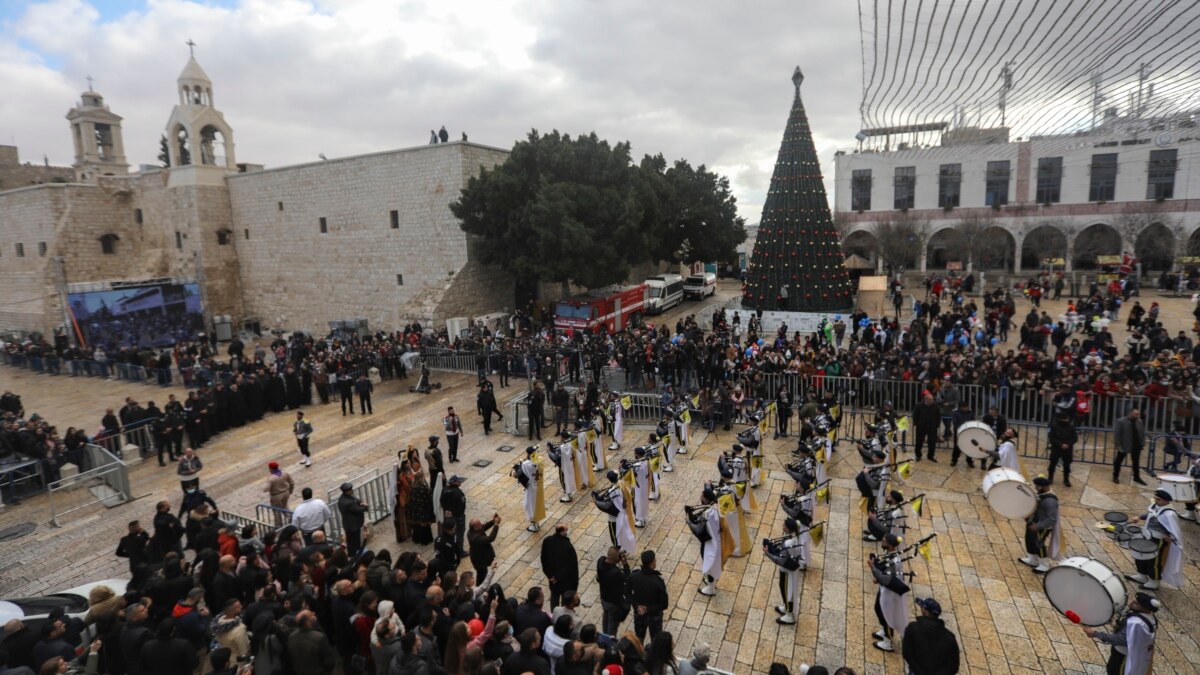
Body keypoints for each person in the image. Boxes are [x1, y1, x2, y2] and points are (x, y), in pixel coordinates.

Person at [1084, 592, 1160, 675]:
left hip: (1123, 656)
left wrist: (1095, 633)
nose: (1131, 603)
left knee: (1114, 671)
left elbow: (1120, 639)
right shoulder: (1151, 618)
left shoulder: (1136, 623)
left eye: (1135, 603)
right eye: (1132, 599)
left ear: (1144, 608)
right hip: (1134, 654)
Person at [1125, 489, 1184, 590]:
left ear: (1167, 501)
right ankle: (1141, 575)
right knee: (1140, 554)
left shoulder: (1169, 514)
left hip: (1158, 539)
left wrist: (1168, 535)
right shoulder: (1155, 506)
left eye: (1159, 499)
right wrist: (1139, 517)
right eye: (1156, 498)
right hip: (1146, 534)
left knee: (1154, 560)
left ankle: (1154, 581)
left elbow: (1173, 529)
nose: (1156, 501)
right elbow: (1150, 514)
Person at [870, 533, 909, 652]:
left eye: (884, 541)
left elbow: (886, 579)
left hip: (890, 592)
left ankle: (888, 642)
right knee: (878, 608)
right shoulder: (891, 555)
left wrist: (872, 567)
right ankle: (884, 630)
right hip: (885, 588)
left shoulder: (894, 561)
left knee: (886, 615)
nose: (882, 542)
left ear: (890, 545)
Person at [902, 597, 960, 675]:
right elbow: (953, 666)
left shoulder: (913, 628)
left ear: (926, 612)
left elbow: (907, 652)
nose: (921, 609)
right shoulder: (950, 638)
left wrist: (919, 671)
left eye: (922, 607)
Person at [1019, 476, 1061, 573]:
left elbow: (1052, 519)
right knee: (1029, 540)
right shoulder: (1042, 494)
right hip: (1033, 522)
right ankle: (1032, 559)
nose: (1036, 488)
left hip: (1042, 527)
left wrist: (1038, 526)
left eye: (1037, 486)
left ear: (1044, 487)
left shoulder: (1050, 501)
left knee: (1038, 544)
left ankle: (1044, 565)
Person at [767, 517, 804, 625]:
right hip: (787, 569)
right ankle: (786, 607)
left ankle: (789, 615)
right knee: (784, 588)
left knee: (789, 591)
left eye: (784, 525)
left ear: (788, 528)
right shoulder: (792, 537)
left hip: (788, 570)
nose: (782, 526)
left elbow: (781, 560)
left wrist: (768, 553)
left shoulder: (789, 542)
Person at [628, 551, 668, 644]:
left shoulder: (634, 576)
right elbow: (664, 604)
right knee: (656, 641)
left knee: (639, 638)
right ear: (653, 562)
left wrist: (637, 606)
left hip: (639, 614)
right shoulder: (658, 582)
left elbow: (627, 593)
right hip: (654, 617)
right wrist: (647, 609)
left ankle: (638, 654)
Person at [695, 489, 728, 597]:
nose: (700, 497)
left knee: (709, 564)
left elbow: (698, 530)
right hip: (718, 540)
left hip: (710, 543)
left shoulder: (707, 513)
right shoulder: (717, 507)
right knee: (713, 563)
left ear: (705, 498)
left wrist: (689, 521)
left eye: (701, 495)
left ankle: (710, 588)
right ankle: (711, 582)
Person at [540, 524, 580, 610]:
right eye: (566, 530)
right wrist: (574, 587)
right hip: (565, 581)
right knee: (564, 601)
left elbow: (543, 559)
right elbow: (572, 567)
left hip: (553, 580)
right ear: (563, 532)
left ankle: (553, 615)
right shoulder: (568, 546)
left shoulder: (547, 541)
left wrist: (550, 576)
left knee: (554, 597)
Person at [597, 546, 631, 636]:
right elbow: (628, 579)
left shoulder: (600, 562)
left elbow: (606, 557)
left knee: (606, 615)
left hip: (604, 598)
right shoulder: (615, 573)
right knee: (612, 625)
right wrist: (625, 564)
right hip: (613, 603)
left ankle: (604, 634)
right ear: (616, 559)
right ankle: (609, 641)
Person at [1114, 408, 1147, 486]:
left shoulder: (1139, 421)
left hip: (1136, 445)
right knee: (1118, 461)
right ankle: (1115, 476)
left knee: (1136, 462)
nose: (1138, 416)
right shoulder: (1121, 421)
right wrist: (1118, 446)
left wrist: (1142, 443)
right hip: (1124, 445)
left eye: (1138, 414)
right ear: (1130, 413)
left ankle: (1137, 477)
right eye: (1136, 414)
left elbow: (1141, 433)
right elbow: (1117, 435)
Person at [337, 482, 369, 555]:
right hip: (353, 525)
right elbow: (359, 510)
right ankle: (354, 555)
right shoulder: (348, 503)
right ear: (346, 491)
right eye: (350, 490)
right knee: (354, 542)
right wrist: (365, 506)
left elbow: (357, 500)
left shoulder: (343, 498)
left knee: (351, 541)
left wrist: (360, 503)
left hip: (348, 524)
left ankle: (354, 553)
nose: (352, 491)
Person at [1046, 413, 1078, 487]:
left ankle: (1066, 479)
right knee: (1053, 463)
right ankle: (1050, 478)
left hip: (1068, 449)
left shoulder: (1071, 427)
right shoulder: (1054, 426)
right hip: (1056, 448)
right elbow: (1051, 437)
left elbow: (1075, 438)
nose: (1065, 420)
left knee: (1067, 464)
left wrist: (1068, 444)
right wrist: (1060, 444)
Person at [519, 446, 546, 532]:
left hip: (531, 487)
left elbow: (522, 473)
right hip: (539, 485)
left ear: (528, 453)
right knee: (537, 504)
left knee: (529, 505)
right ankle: (536, 522)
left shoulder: (525, 464)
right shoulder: (540, 460)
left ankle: (534, 525)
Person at [440, 474, 468, 555]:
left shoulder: (444, 489)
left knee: (449, 533)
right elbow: (462, 507)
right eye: (458, 481)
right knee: (459, 533)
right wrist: (454, 513)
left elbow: (441, 501)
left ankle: (450, 550)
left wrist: (447, 510)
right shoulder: (459, 493)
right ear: (454, 482)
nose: (460, 482)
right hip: (458, 517)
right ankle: (460, 551)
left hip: (448, 516)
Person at [468, 514, 502, 581]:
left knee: (482, 574)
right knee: (482, 575)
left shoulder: (472, 530)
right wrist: (496, 525)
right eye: (479, 524)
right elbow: (491, 538)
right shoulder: (476, 538)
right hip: (480, 561)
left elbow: (484, 527)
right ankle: (480, 588)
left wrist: (492, 521)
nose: (481, 524)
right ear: (475, 527)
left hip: (478, 557)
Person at [912, 393, 939, 462]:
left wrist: (936, 425)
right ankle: (918, 455)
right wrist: (916, 423)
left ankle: (930, 456)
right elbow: (915, 415)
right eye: (931, 399)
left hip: (932, 427)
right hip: (921, 427)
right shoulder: (919, 406)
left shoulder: (935, 406)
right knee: (919, 442)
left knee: (932, 443)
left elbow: (938, 416)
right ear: (926, 399)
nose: (932, 401)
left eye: (933, 399)